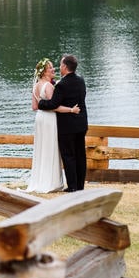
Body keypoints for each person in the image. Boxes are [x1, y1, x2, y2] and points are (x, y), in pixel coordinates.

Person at [25, 58, 80, 193]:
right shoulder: (48, 86)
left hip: (39, 119)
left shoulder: (35, 86)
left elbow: (34, 107)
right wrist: (71, 110)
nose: (53, 69)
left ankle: (40, 180)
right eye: (50, 68)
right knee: (51, 148)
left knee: (42, 147)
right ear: (44, 72)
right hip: (49, 119)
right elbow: (54, 107)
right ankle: (50, 182)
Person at [37, 54, 88, 191]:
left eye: (60, 65)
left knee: (69, 156)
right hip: (81, 123)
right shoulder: (81, 80)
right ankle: (80, 186)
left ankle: (72, 186)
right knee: (80, 155)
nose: (59, 67)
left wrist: (41, 103)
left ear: (65, 67)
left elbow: (53, 104)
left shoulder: (62, 85)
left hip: (67, 126)